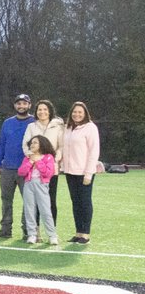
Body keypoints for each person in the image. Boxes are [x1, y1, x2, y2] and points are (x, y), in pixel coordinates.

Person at [0, 93, 34, 238]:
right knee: (6, 200)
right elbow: (1, 144)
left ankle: (28, 231)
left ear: (29, 105)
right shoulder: (8, 123)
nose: (21, 106)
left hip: (27, 168)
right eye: (19, 103)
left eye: (24, 103)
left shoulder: (34, 122)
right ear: (15, 105)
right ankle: (5, 230)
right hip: (8, 168)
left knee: (28, 201)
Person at [60, 101, 99, 245]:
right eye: (74, 112)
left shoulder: (90, 128)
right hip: (70, 172)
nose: (77, 115)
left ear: (85, 114)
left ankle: (86, 234)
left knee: (85, 202)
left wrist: (88, 173)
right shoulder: (68, 128)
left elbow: (94, 152)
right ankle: (78, 232)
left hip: (84, 172)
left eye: (80, 112)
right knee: (75, 202)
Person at [21, 99, 65, 224]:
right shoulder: (31, 126)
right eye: (39, 109)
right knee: (35, 201)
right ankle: (36, 231)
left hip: (50, 170)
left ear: (50, 111)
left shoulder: (58, 126)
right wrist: (32, 158)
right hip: (33, 171)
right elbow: (25, 145)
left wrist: (53, 159)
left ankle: (51, 231)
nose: (42, 112)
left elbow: (61, 146)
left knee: (50, 201)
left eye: (45, 109)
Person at [19, 136, 58, 245]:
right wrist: (30, 162)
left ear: (42, 144)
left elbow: (48, 173)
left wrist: (38, 162)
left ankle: (52, 235)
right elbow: (21, 172)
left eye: (35, 142)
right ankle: (32, 234)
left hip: (41, 185)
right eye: (31, 143)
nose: (32, 145)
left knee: (45, 210)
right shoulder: (27, 158)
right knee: (29, 209)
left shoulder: (48, 157)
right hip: (28, 184)